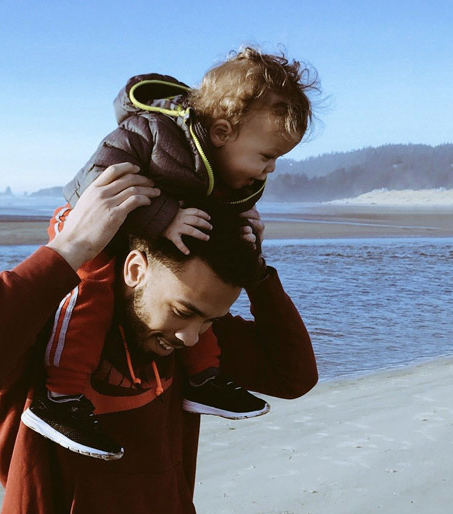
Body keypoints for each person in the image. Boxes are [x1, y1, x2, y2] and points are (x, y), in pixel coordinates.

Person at [0, 163, 318, 514]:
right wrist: (66, 251)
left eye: (211, 319)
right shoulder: (49, 321)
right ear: (136, 269)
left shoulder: (193, 337)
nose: (191, 335)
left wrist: (257, 273)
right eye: (184, 311)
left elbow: (292, 375)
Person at [28, 46, 319, 459]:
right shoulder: (152, 132)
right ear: (222, 132)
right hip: (90, 230)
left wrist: (246, 250)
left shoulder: (227, 173)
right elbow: (91, 182)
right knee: (90, 293)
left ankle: (203, 378)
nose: (271, 169)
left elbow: (295, 375)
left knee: (198, 305)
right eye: (267, 156)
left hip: (152, 246)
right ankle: (60, 397)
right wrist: (163, 218)